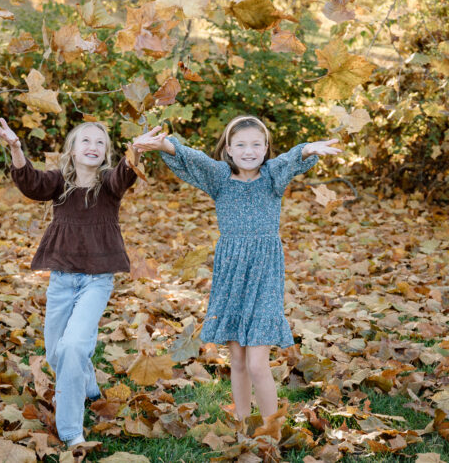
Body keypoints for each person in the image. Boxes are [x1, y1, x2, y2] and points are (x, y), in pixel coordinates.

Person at [134, 116, 340, 421]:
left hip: (265, 274)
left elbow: (290, 160)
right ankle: (243, 424)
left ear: (266, 147)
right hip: (231, 273)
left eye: (256, 144)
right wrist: (162, 143)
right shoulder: (219, 177)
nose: (248, 151)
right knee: (239, 362)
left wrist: (309, 148)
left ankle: (272, 430)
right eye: (241, 144)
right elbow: (195, 159)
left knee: (258, 364)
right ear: (228, 149)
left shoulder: (271, 176)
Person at [0, 118, 157, 447]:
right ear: (72, 150)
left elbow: (125, 173)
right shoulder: (58, 183)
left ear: (106, 152)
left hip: (96, 281)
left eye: (100, 143)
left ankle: (71, 432)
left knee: (73, 346)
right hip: (62, 279)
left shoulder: (109, 184)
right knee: (56, 353)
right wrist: (15, 148)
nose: (93, 147)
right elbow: (30, 183)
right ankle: (89, 385)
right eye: (86, 141)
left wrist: (135, 149)